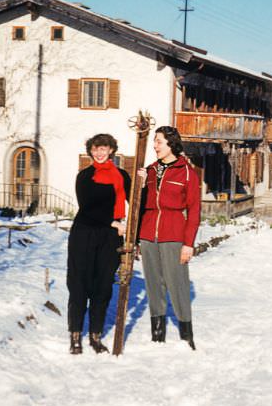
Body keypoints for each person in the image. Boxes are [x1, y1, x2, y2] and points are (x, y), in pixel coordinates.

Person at [67, 133, 131, 354]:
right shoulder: (85, 176)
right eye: (95, 149)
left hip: (110, 238)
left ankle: (95, 336)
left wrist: (142, 180)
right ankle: (75, 336)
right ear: (91, 152)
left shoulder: (122, 175)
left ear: (111, 150)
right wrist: (114, 223)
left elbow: (136, 199)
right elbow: (87, 208)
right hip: (84, 234)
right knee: (79, 285)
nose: (99, 153)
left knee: (103, 286)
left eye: (103, 148)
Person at [139, 126, 201, 350]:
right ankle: (158, 333)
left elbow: (194, 211)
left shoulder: (187, 172)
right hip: (148, 233)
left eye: (159, 141)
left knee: (178, 283)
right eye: (154, 141)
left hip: (173, 233)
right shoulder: (150, 170)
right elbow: (139, 205)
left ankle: (186, 333)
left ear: (171, 144)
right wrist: (141, 185)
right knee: (153, 283)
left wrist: (188, 244)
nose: (155, 145)